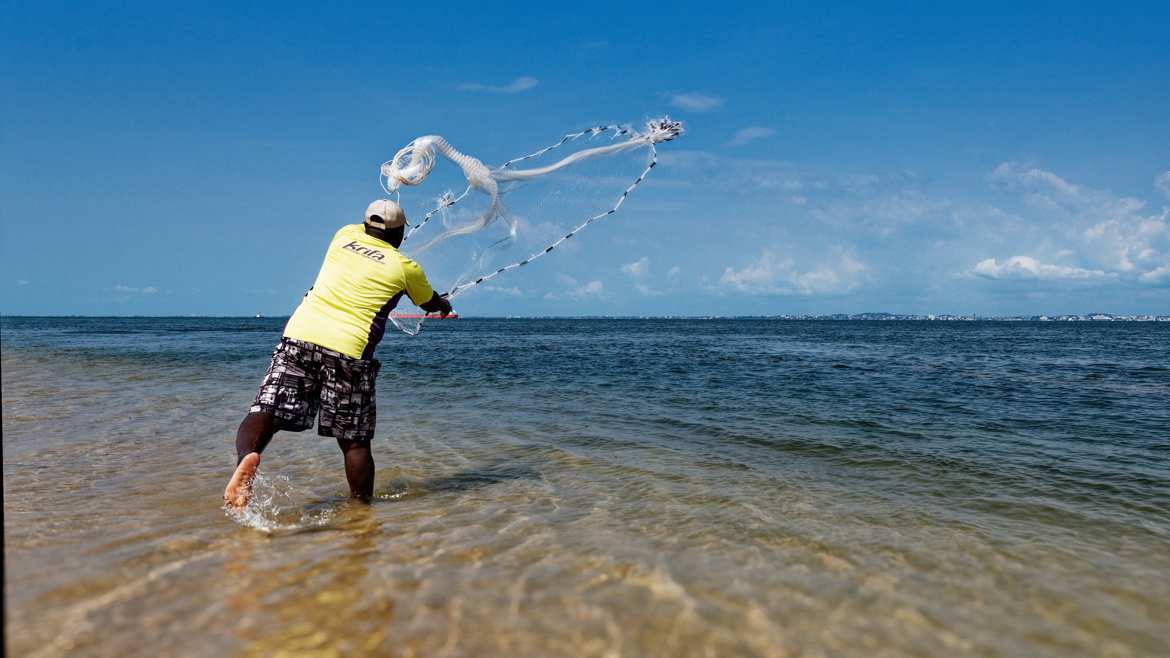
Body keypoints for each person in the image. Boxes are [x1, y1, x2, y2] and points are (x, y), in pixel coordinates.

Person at [224, 199, 452, 508]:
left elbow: (369, 232)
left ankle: (246, 458)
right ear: (399, 234)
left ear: (366, 226)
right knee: (354, 441)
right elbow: (429, 303)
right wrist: (445, 305)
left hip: (300, 335)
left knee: (264, 411)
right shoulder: (405, 267)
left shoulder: (344, 235)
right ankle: (360, 513)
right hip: (350, 351)